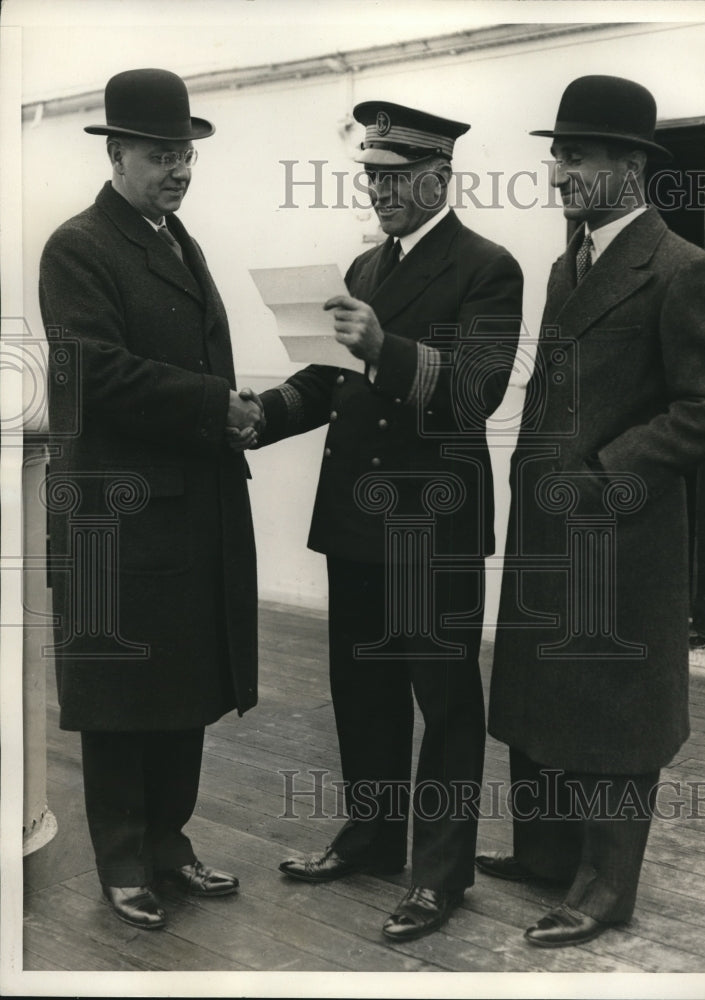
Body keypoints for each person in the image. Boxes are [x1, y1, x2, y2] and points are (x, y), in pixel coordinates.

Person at [477, 75, 705, 947]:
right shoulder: (570, 265)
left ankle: (605, 889)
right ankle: (545, 854)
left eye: (578, 156)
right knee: (543, 691)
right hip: (548, 522)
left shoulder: (684, 270)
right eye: (557, 155)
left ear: (630, 165)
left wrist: (607, 473)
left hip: (621, 532)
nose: (559, 172)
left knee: (616, 707)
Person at [242, 101, 523, 940]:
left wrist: (384, 350)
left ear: (440, 178)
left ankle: (440, 874)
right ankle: (370, 838)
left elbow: (477, 392)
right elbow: (328, 382)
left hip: (433, 526)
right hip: (357, 520)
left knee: (444, 703)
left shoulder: (488, 267)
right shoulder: (365, 267)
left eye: (396, 178)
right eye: (371, 176)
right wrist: (261, 414)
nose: (379, 191)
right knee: (361, 689)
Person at [38, 68, 264, 931]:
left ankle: (169, 843)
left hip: (186, 505)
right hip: (120, 516)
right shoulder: (80, 246)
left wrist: (230, 413)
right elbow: (96, 372)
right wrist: (217, 406)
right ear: (117, 153)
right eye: (162, 155)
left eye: (186, 154)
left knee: (183, 681)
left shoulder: (174, 239)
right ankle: (124, 861)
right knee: (123, 694)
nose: (179, 169)